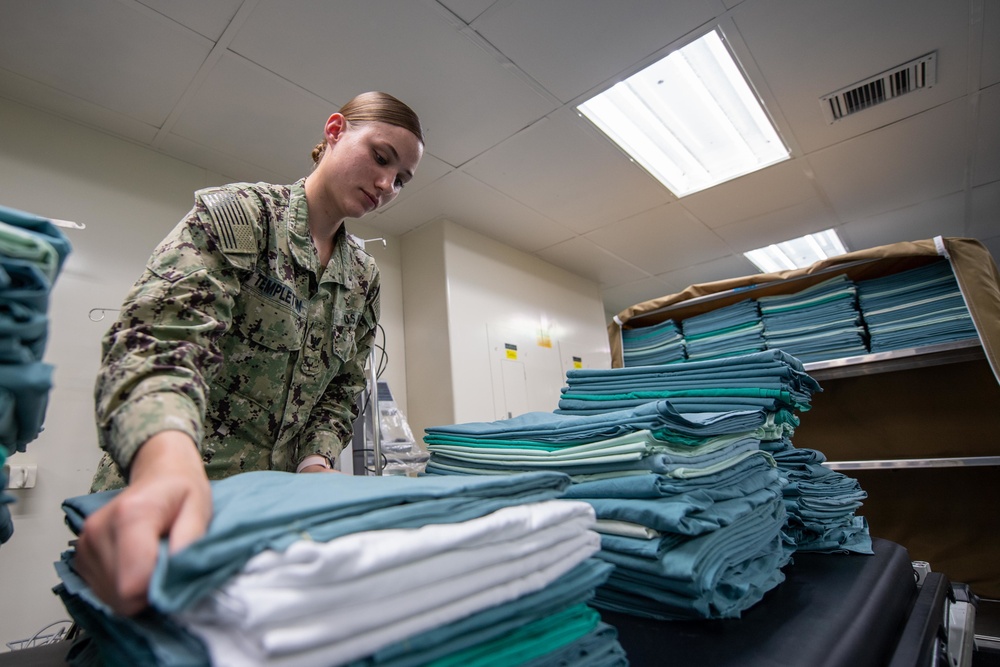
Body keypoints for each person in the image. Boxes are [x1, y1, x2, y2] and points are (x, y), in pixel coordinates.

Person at [74, 92, 424, 616]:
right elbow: (157, 340)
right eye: (380, 157)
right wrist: (166, 462)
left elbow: (345, 386)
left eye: (401, 179)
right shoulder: (243, 217)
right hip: (169, 496)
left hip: (268, 517)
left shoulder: (363, 279)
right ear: (334, 130)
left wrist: (315, 460)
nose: (386, 185)